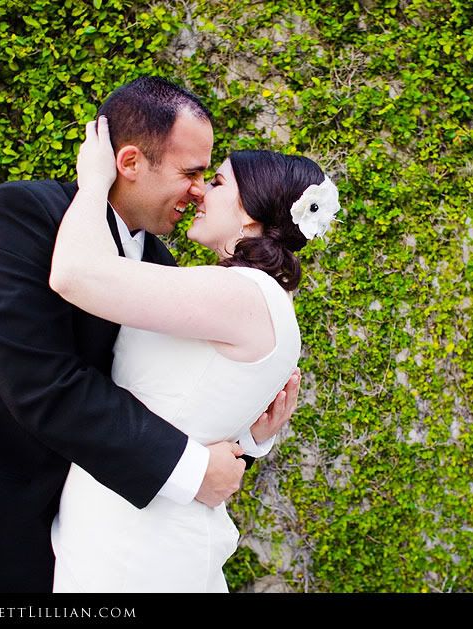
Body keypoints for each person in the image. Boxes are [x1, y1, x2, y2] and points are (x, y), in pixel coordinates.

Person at [0, 77, 299, 593]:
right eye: (191, 173)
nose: (199, 190)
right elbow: (42, 382)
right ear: (129, 162)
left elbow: (169, 397)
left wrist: (248, 438)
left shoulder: (158, 262)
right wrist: (192, 469)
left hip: (96, 529)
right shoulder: (20, 215)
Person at [47, 116, 339, 592]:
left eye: (218, 182)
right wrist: (248, 438)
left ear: (250, 216)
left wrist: (95, 182)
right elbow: (196, 397)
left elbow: (74, 275)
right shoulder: (255, 297)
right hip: (123, 523)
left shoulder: (242, 294)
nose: (201, 192)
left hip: (139, 544)